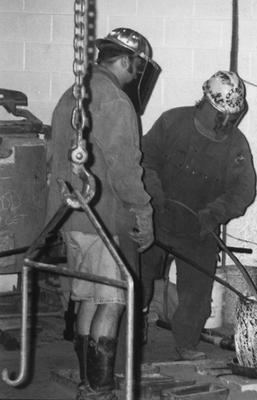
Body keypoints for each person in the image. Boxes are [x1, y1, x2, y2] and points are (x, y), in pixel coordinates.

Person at [46, 27, 161, 400]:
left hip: (70, 217)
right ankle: (100, 388)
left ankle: (86, 383)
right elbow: (126, 166)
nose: (136, 75)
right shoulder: (114, 99)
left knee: (88, 300)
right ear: (127, 60)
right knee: (111, 301)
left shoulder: (72, 93)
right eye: (137, 66)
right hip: (101, 218)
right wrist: (142, 211)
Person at [140, 70, 257, 361]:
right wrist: (154, 195)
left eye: (232, 116)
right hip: (157, 217)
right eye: (221, 114)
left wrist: (213, 214)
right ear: (206, 102)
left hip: (199, 228)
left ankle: (186, 344)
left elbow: (243, 191)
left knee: (197, 292)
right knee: (137, 279)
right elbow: (144, 159)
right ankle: (131, 332)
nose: (226, 122)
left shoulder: (236, 144)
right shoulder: (172, 122)